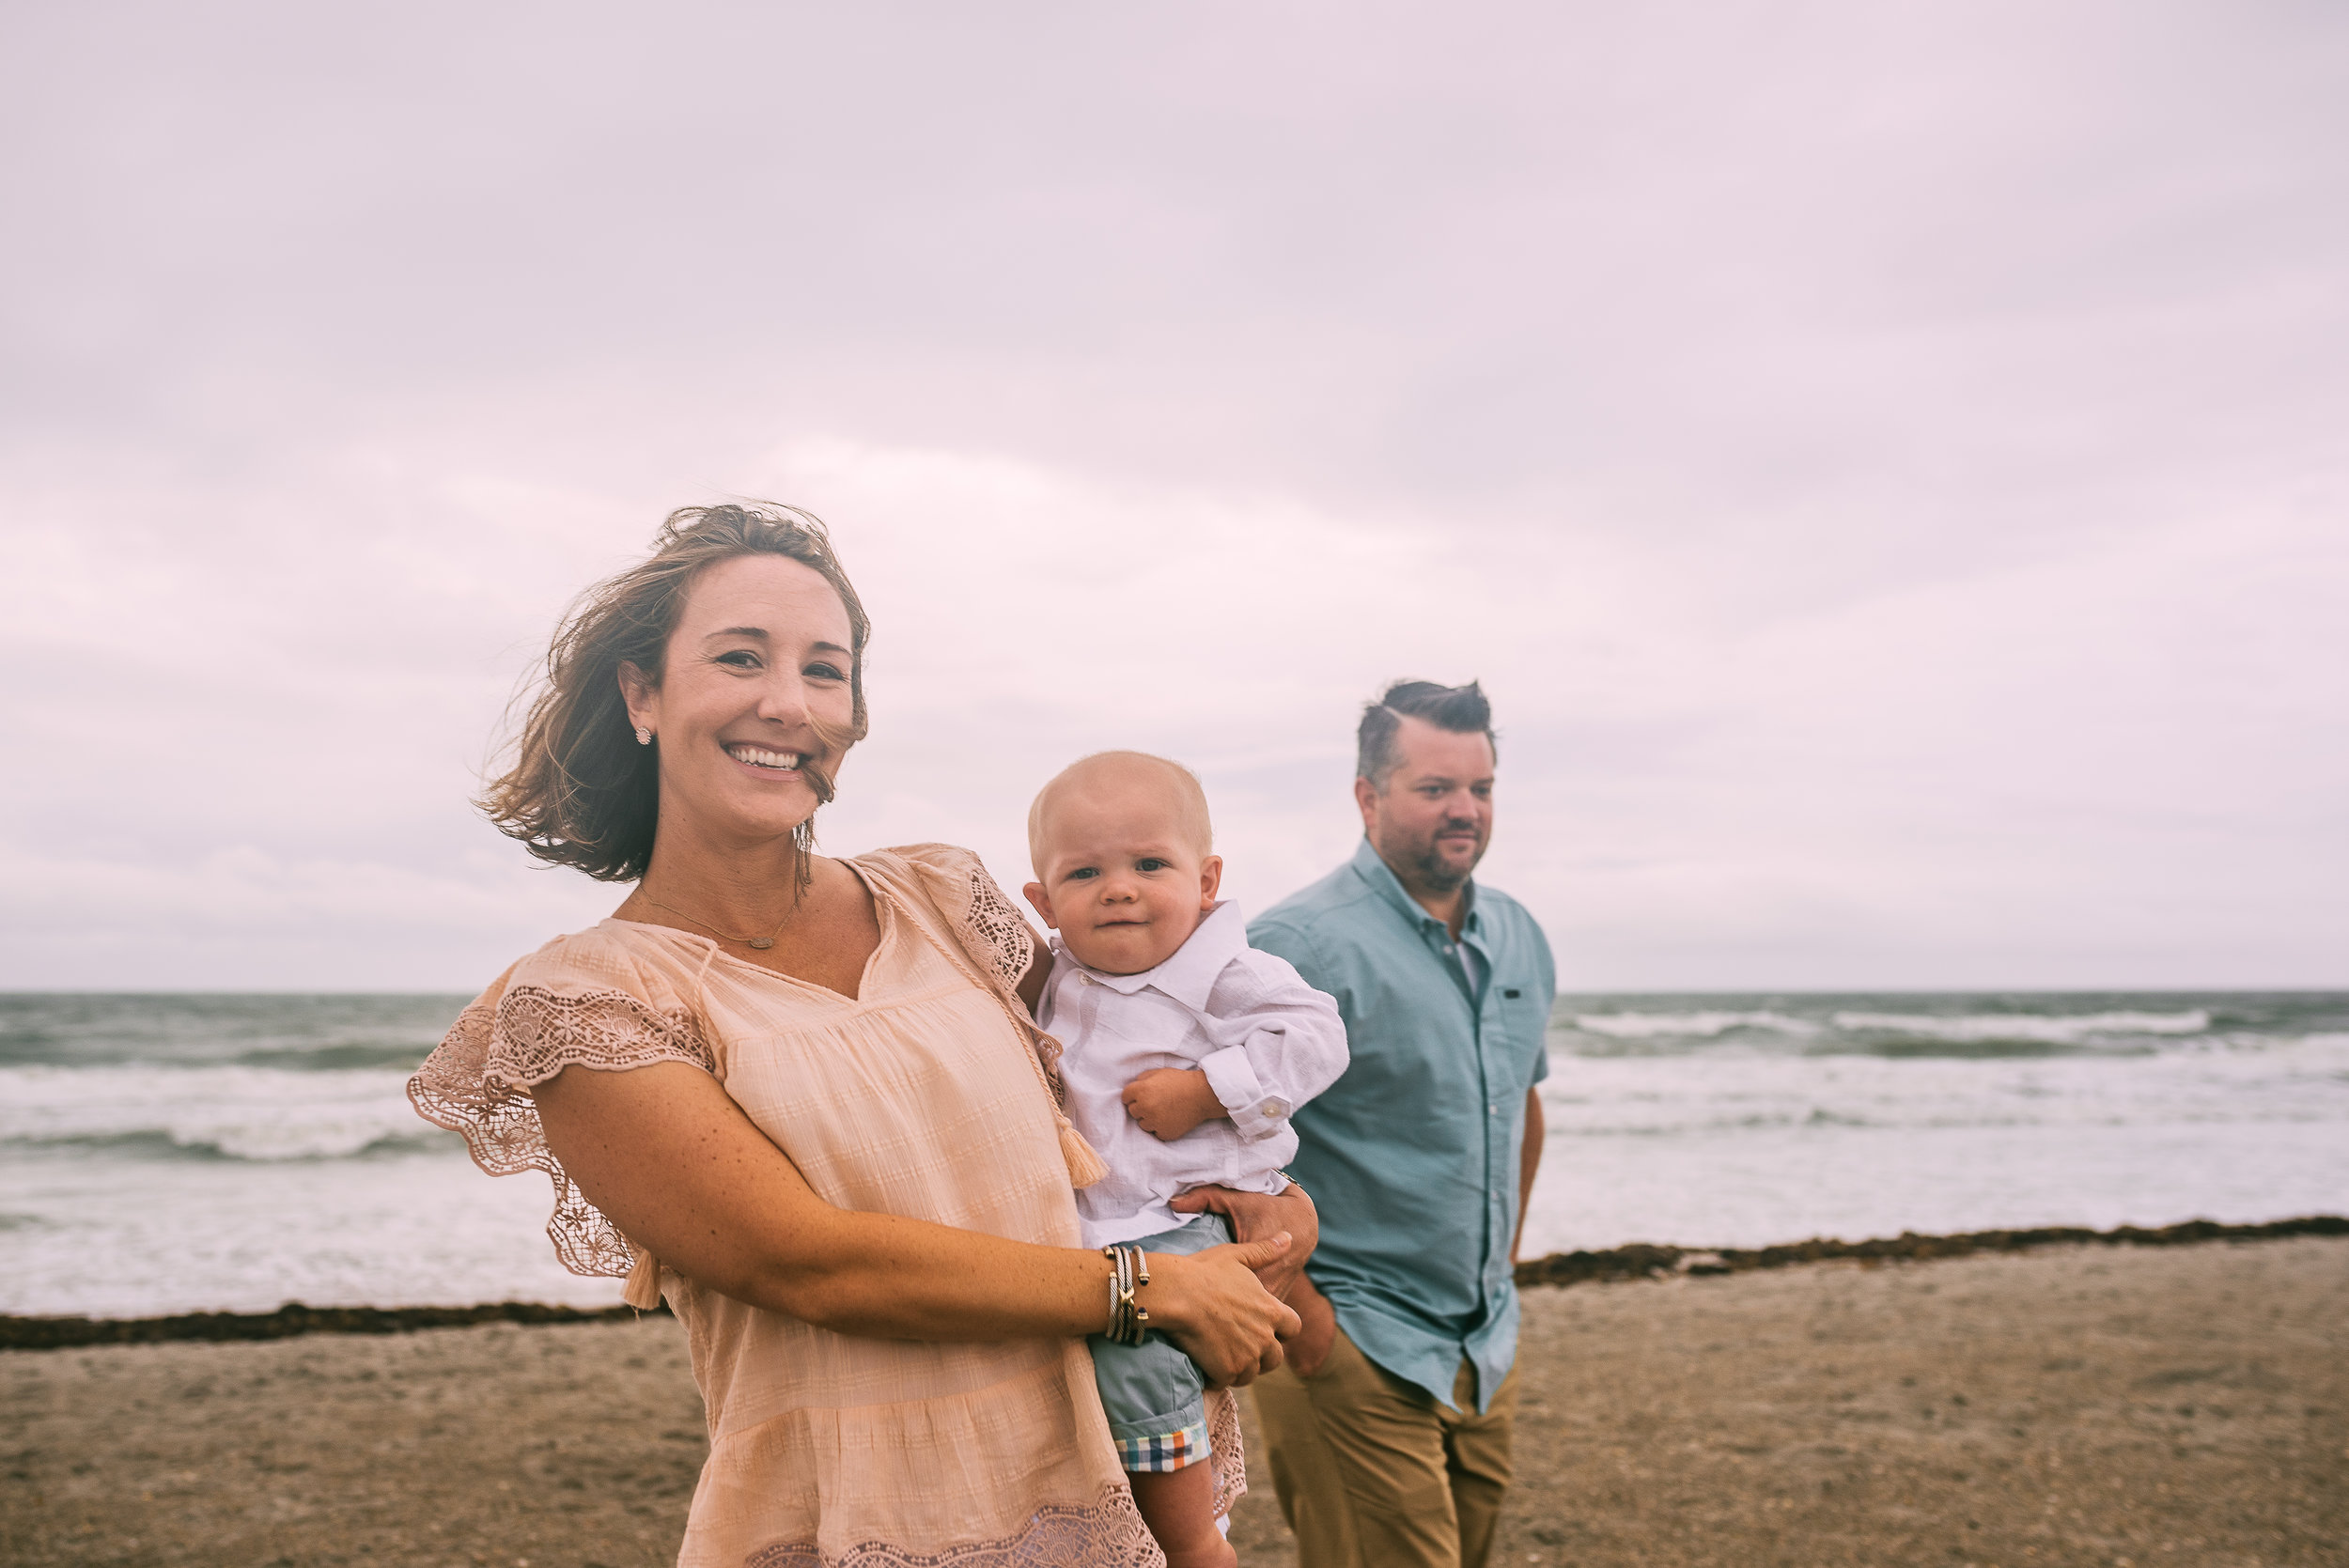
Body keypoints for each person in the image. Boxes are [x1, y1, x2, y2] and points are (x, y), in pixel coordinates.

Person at [406, 504, 1315, 1567]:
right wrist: (1147, 1287)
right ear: (640, 693)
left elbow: (1127, 1059)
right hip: (848, 1526)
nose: (786, 702)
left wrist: (1267, 1187)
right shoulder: (582, 1002)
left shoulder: (941, 898)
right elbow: (808, 1263)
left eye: (825, 670)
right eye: (740, 656)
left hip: (1102, 1494)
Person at [1245, 680, 1557, 1568]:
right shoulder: (1297, 948)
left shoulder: (1522, 936)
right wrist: (1304, 1319)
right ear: (1367, 795)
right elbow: (1221, 1149)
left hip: (1484, 1339)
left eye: (1481, 788)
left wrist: (1504, 1265)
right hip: (1354, 1338)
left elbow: (1519, 1103)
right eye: (1435, 788)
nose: (1464, 810)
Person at [1019, 752, 1349, 1568]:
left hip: (1180, 1215)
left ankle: (1194, 1539)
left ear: (1206, 881)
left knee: (1136, 1348)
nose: (1119, 887)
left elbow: (1317, 1038)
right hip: (1106, 1223)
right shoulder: (1058, 978)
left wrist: (1208, 1088)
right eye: (1086, 870)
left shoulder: (1224, 972)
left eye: (1149, 864)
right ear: (1043, 902)